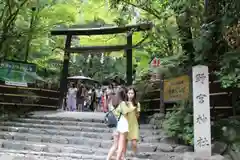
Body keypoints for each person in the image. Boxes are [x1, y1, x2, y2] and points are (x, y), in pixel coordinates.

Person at [106, 87, 135, 160]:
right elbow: (126, 111)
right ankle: (118, 158)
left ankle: (110, 158)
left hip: (117, 125)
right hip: (123, 124)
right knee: (121, 143)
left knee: (116, 144)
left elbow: (114, 112)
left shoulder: (114, 102)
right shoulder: (122, 103)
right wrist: (131, 106)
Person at [123, 87, 141, 157]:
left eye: (132, 93)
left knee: (134, 143)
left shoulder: (137, 104)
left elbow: (138, 116)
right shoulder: (124, 103)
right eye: (129, 93)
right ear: (127, 94)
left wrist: (135, 110)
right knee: (125, 142)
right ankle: (123, 156)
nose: (130, 95)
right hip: (125, 125)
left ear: (134, 94)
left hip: (134, 125)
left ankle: (134, 156)